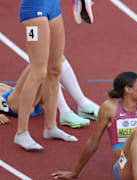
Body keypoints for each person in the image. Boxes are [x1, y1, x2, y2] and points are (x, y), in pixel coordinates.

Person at [52, 72, 137, 180]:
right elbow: (93, 142)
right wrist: (75, 172)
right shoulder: (109, 108)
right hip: (125, 167)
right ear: (128, 89)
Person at [16, 0, 75, 151]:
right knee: (38, 71)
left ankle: (50, 127)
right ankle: (21, 133)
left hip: (53, 7)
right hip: (34, 10)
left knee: (55, 68)